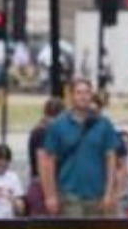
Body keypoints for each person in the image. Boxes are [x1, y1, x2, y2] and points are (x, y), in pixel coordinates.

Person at [37, 78, 121, 217]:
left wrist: (109, 192)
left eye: (87, 92)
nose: (83, 97)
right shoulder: (58, 125)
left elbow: (111, 159)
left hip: (97, 195)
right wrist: (50, 195)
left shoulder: (103, 124)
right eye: (79, 93)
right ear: (71, 96)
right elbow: (49, 161)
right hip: (69, 195)